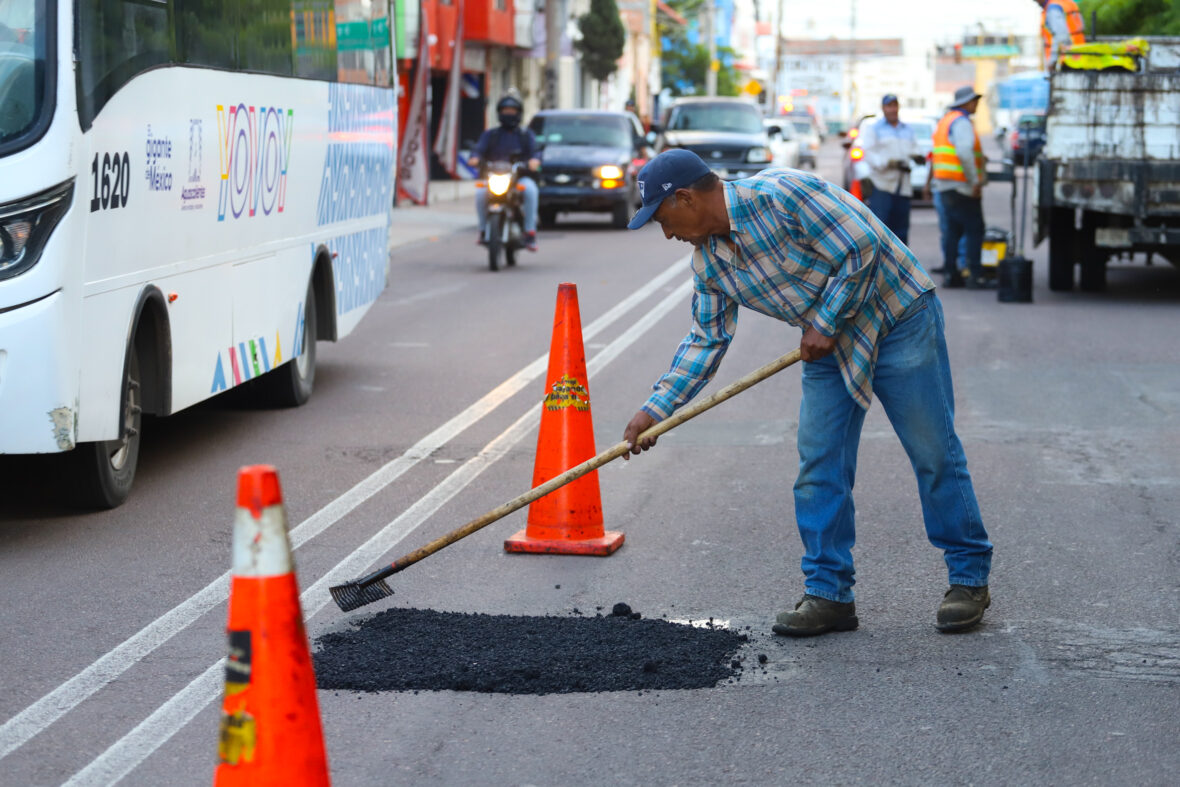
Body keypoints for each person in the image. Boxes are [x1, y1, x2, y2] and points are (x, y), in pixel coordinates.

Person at [622, 149, 993, 637]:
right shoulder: (709, 263)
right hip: (828, 346)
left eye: (664, 219)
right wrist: (656, 410)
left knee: (933, 452)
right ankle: (829, 594)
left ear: (686, 198)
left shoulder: (782, 195)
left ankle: (968, 579)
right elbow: (706, 340)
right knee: (819, 464)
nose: (667, 233)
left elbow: (862, 246)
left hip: (897, 317)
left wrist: (825, 319)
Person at [931, 86, 987, 289]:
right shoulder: (962, 122)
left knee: (953, 231)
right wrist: (975, 181)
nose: (977, 104)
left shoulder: (946, 120)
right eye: (974, 101)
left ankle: (951, 273)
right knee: (974, 230)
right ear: (965, 102)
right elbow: (964, 152)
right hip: (961, 185)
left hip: (945, 184)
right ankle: (975, 275)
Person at [469, 94, 541, 251]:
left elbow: (535, 153)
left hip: (519, 178)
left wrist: (534, 161)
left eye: (512, 111)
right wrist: (475, 157)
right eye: (505, 110)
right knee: (480, 192)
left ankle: (530, 232)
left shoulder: (525, 135)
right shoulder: (491, 134)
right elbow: (478, 150)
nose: (509, 114)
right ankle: (482, 230)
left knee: (531, 190)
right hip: (495, 178)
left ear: (519, 113)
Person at [859, 93, 924, 244]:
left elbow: (916, 149)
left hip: (903, 186)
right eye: (889, 106)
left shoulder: (907, 130)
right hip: (882, 185)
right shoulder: (874, 129)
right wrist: (887, 163)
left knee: (901, 231)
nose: (892, 109)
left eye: (895, 105)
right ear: (883, 108)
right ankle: (881, 266)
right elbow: (868, 154)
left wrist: (917, 157)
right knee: (881, 230)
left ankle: (900, 265)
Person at [1034, 0, 1086, 69]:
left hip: (1065, 61)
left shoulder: (1053, 8)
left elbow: (1061, 36)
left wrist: (1053, 61)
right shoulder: (1066, 3)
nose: (1034, 1)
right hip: (1078, 56)